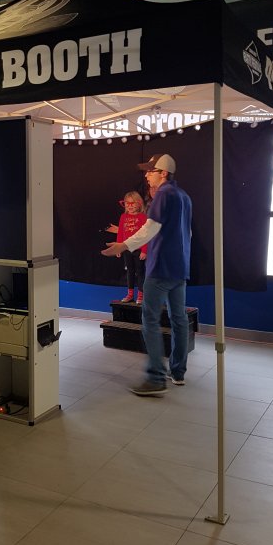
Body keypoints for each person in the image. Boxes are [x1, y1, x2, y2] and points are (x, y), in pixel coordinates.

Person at [101, 153, 192, 396]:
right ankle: (178, 372)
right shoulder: (183, 196)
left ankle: (155, 377)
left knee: (150, 320)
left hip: (161, 268)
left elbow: (150, 229)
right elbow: (187, 234)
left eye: (151, 171)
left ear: (164, 173)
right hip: (180, 268)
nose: (147, 174)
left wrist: (122, 245)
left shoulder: (164, 194)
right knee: (179, 319)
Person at [113, 191, 147, 304]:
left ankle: (141, 295)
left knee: (140, 272)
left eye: (133, 203)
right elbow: (121, 234)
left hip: (138, 249)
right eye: (127, 203)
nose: (130, 206)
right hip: (127, 249)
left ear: (139, 204)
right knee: (130, 272)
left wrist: (144, 250)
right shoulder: (123, 217)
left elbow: (146, 235)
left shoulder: (142, 217)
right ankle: (130, 294)